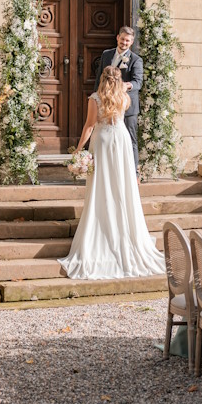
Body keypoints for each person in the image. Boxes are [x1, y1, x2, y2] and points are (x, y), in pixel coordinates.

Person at [59, 66, 165, 279]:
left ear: (102, 79)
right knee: (122, 186)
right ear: (119, 80)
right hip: (122, 141)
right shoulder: (124, 98)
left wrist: (79, 150)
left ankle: (101, 229)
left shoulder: (95, 98)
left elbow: (90, 126)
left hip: (104, 142)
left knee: (102, 186)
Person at [95, 26, 142, 176]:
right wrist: (96, 98)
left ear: (132, 42)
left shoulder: (136, 60)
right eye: (122, 39)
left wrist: (126, 86)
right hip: (107, 105)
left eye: (127, 41)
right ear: (117, 38)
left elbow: (137, 82)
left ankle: (134, 173)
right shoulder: (106, 55)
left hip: (126, 107)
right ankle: (111, 172)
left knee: (130, 140)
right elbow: (99, 78)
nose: (124, 43)